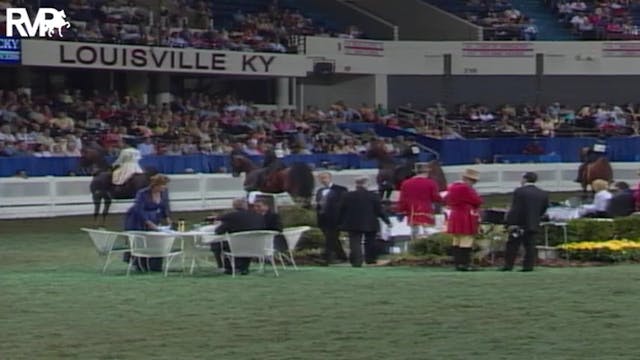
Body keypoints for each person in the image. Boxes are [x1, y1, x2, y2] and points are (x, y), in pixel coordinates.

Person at [123, 174, 172, 272]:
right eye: (163, 185)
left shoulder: (164, 193)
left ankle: (154, 265)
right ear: (156, 185)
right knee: (140, 241)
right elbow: (138, 209)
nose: (164, 187)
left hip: (154, 217)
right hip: (137, 219)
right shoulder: (142, 193)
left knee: (155, 239)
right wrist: (148, 222)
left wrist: (167, 217)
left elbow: (165, 205)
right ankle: (140, 264)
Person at [502, 172, 549, 272]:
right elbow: (543, 209)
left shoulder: (519, 191)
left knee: (512, 245)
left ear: (525, 179)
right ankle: (528, 266)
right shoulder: (542, 193)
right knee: (530, 246)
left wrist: (510, 222)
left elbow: (516, 208)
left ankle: (508, 265)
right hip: (533, 223)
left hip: (519, 223)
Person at [338, 177, 391, 267]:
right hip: (370, 222)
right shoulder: (374, 196)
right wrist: (387, 221)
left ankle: (356, 261)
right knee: (370, 242)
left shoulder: (347, 195)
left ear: (356, 184)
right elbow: (379, 210)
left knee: (355, 242)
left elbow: (341, 210)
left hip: (352, 222)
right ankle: (370, 260)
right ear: (366, 184)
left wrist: (340, 222)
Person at [212, 198, 265, 275]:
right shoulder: (258, 216)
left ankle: (226, 267)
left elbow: (218, 231)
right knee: (243, 244)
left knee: (216, 244)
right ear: (246, 206)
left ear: (233, 206)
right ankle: (243, 268)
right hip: (257, 246)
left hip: (236, 246)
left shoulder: (231, 216)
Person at [444, 168, 482, 271]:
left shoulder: (452, 187)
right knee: (466, 239)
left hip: (455, 214)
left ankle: (457, 263)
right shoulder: (466, 188)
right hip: (465, 215)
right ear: (468, 179)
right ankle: (464, 264)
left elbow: (446, 199)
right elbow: (477, 201)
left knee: (456, 240)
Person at [396, 163, 442, 239]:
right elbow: (436, 198)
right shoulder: (431, 183)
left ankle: (415, 247)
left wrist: (401, 210)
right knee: (427, 232)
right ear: (427, 172)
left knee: (414, 233)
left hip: (412, 213)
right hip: (426, 211)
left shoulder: (406, 183)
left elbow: (402, 200)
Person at [315, 172, 348, 265]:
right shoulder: (319, 191)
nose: (323, 180)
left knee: (330, 238)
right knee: (332, 238)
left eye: (325, 178)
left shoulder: (340, 190)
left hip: (335, 219)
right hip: (323, 219)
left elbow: (344, 205)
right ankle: (342, 256)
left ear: (330, 178)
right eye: (321, 178)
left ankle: (327, 258)